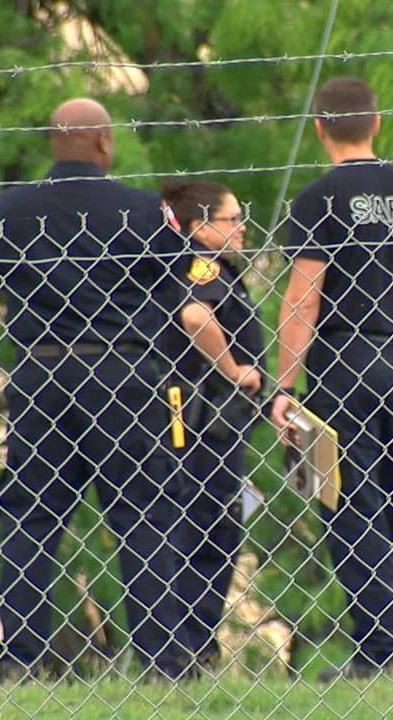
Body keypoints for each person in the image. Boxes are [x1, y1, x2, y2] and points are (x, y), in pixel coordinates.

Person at [0, 97, 191, 680]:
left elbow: (2, 272)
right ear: (105, 143)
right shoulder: (142, 208)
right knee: (143, 511)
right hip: (123, 371)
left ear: (54, 143)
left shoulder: (12, 209)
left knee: (30, 515)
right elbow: (173, 277)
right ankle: (159, 659)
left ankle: (20, 657)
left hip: (39, 369)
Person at [268, 76, 393, 682]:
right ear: (377, 123)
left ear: (320, 128)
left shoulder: (317, 199)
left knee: (349, 503)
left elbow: (304, 297)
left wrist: (285, 386)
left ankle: (379, 650)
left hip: (339, 364)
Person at [158, 179, 264, 670]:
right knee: (211, 524)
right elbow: (197, 318)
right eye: (231, 219)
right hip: (203, 419)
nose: (242, 228)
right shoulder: (203, 267)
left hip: (201, 417)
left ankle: (191, 640)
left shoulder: (201, 264)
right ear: (200, 227)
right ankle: (193, 640)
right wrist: (235, 370)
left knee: (201, 522)